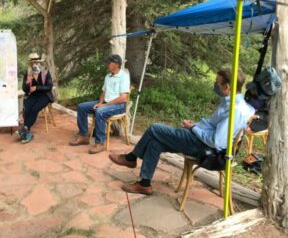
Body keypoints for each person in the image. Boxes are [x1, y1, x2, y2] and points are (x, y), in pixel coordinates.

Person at [109, 67, 255, 195]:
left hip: (205, 148)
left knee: (154, 129)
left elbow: (216, 141)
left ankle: (131, 158)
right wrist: (196, 125)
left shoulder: (234, 110)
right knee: (154, 143)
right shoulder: (237, 103)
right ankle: (144, 184)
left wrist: (193, 128)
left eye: (217, 82)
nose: (215, 85)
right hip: (198, 138)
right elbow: (217, 125)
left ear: (227, 86)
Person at [69, 54, 130, 154]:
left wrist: (104, 105)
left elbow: (123, 97)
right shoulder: (108, 76)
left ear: (116, 64)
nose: (107, 64)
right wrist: (101, 102)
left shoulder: (124, 76)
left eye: (109, 62)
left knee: (100, 111)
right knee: (81, 107)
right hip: (106, 103)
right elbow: (103, 92)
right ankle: (84, 136)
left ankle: (100, 143)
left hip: (119, 105)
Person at [16, 53, 54, 143]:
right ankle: (26, 132)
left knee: (34, 109)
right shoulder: (28, 73)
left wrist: (37, 87)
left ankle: (24, 129)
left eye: (37, 62)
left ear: (39, 63)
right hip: (33, 95)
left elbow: (49, 87)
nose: (35, 64)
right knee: (27, 107)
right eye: (33, 63)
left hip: (45, 96)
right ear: (30, 64)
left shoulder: (44, 72)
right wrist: (27, 82)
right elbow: (25, 90)